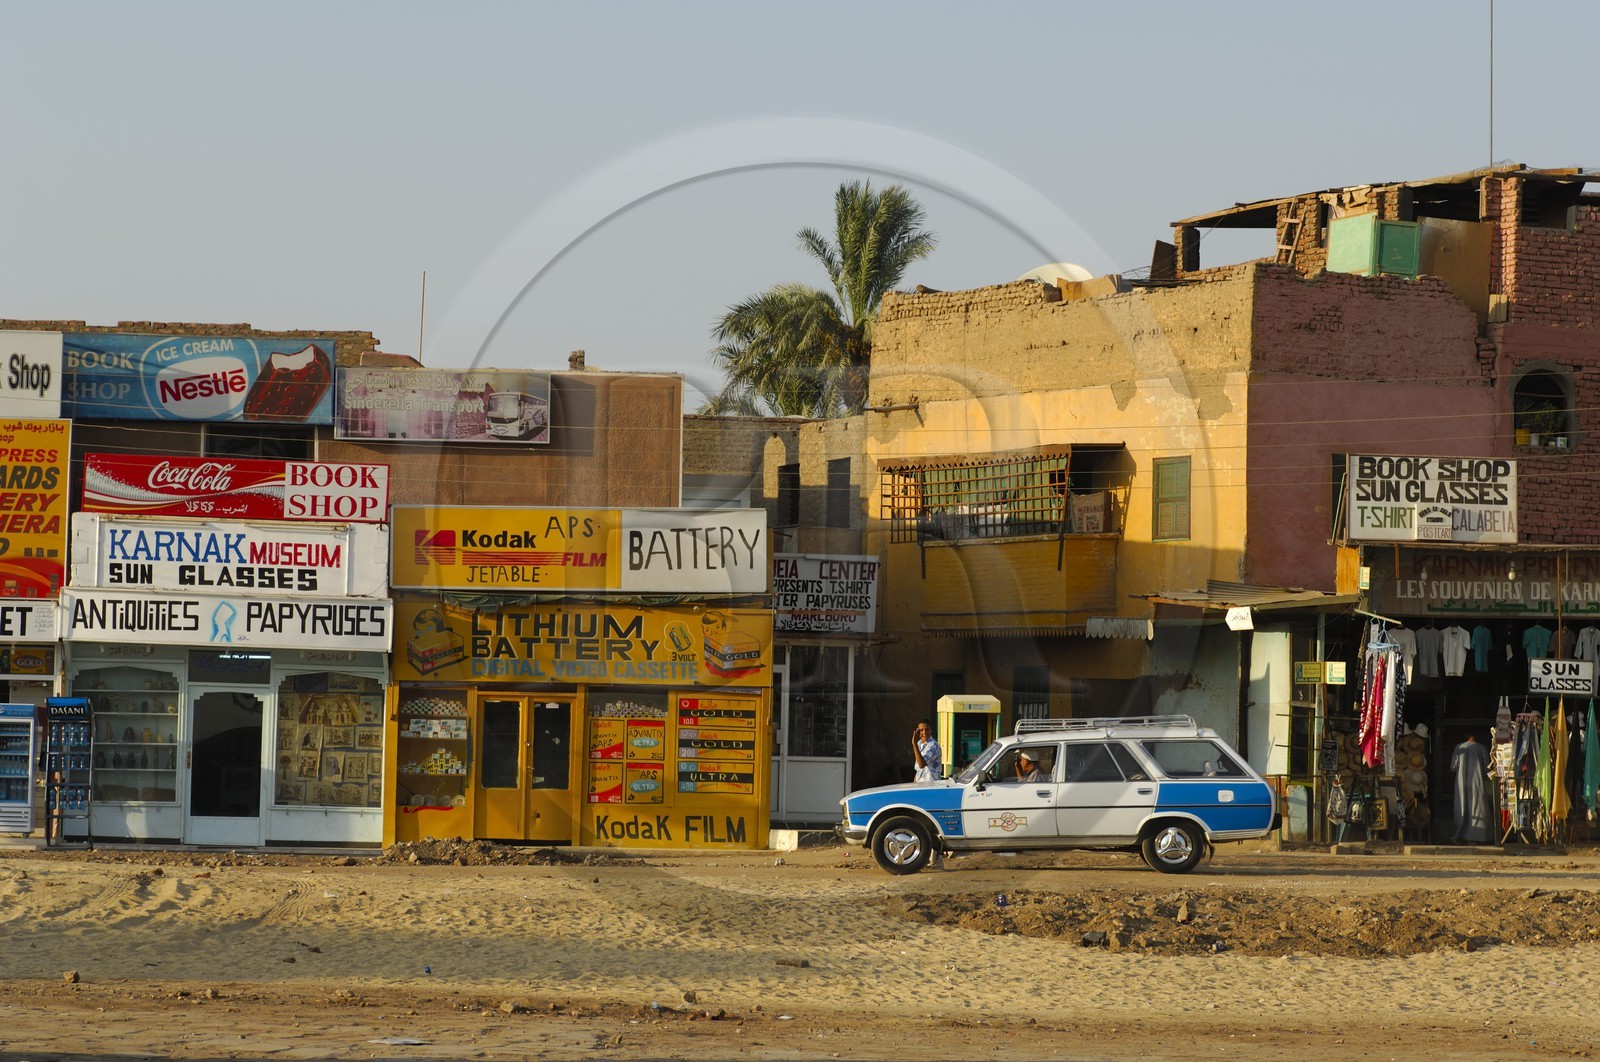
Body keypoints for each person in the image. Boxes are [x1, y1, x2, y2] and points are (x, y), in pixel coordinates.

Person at [1451, 732, 1494, 844]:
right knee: (1477, 808)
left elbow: (1453, 767)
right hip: (1476, 782)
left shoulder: (1459, 747)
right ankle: (1476, 837)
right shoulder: (1482, 748)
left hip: (1461, 783)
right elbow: (1487, 769)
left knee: (1462, 808)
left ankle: (1460, 835)